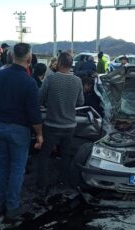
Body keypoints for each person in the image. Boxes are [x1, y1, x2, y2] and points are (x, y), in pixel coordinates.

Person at [0, 42, 43, 220]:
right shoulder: (29, 82)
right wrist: (39, 134)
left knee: (1, 166)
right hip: (19, 130)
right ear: (29, 58)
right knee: (17, 168)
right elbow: (34, 113)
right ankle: (12, 208)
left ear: (11, 56)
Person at [37, 52, 84, 194]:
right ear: (71, 65)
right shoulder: (77, 81)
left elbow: (39, 99)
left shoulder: (50, 79)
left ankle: (43, 185)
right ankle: (62, 182)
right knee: (65, 155)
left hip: (51, 125)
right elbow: (81, 102)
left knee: (44, 155)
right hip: (69, 126)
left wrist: (48, 103)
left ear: (59, 64)